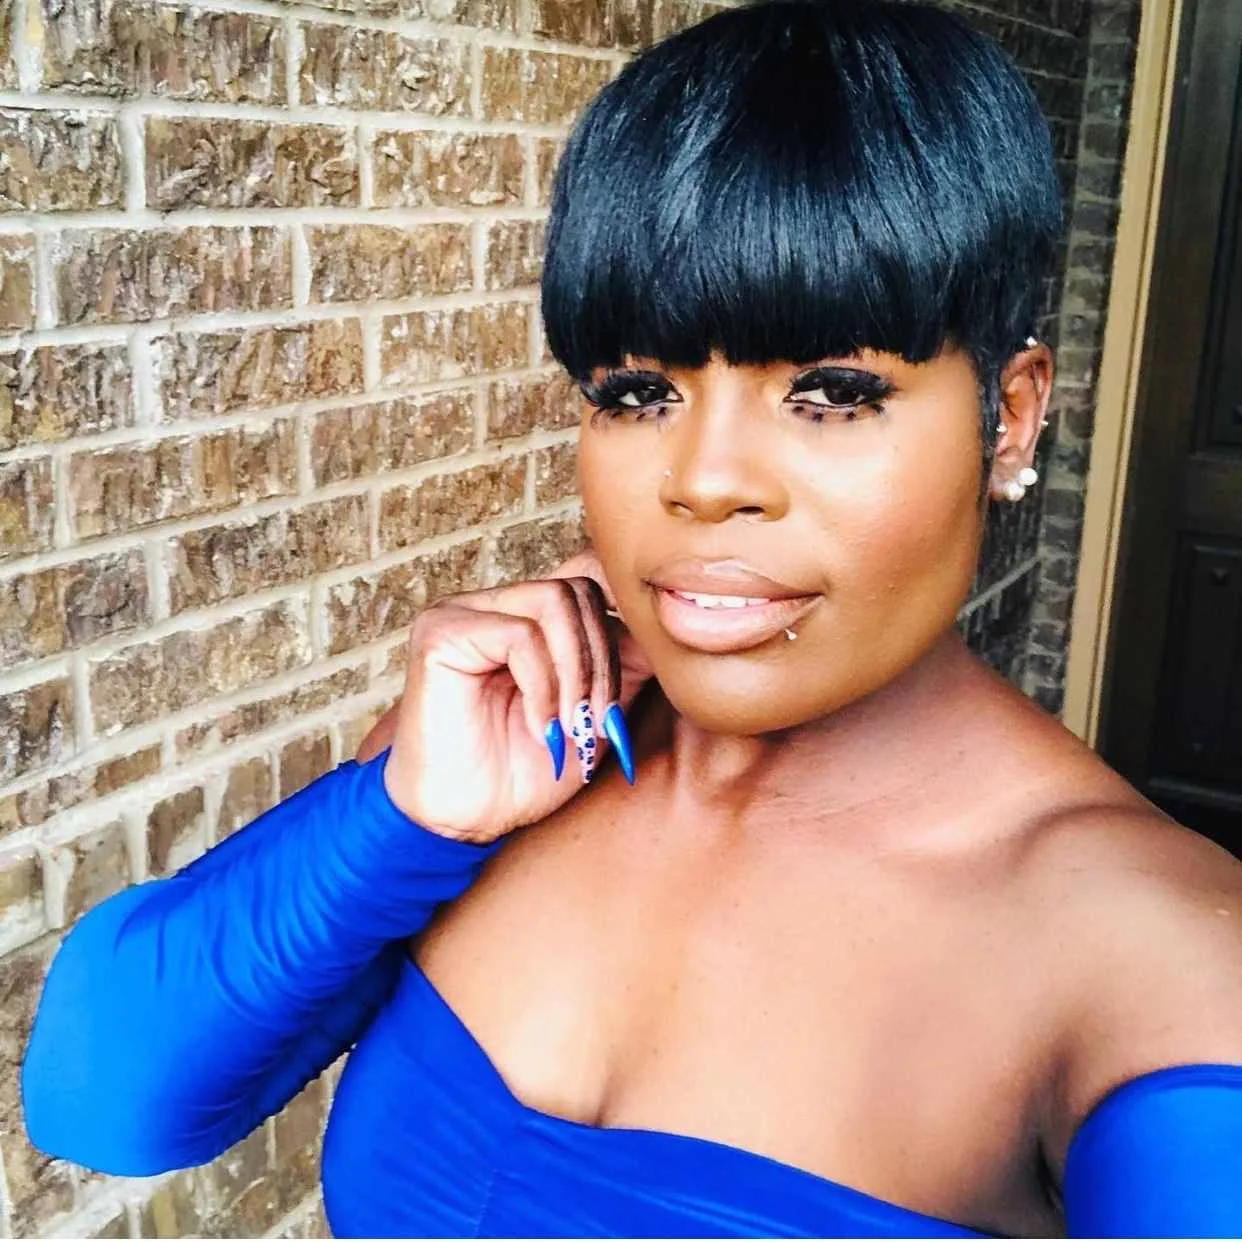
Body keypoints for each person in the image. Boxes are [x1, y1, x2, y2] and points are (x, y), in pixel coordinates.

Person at [21, 1, 1242, 1236]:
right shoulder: (519, 756)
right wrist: (400, 818)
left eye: (832, 391)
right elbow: (103, 1106)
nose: (704, 481)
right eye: (640, 392)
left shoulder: (1153, 963)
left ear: (1011, 417)